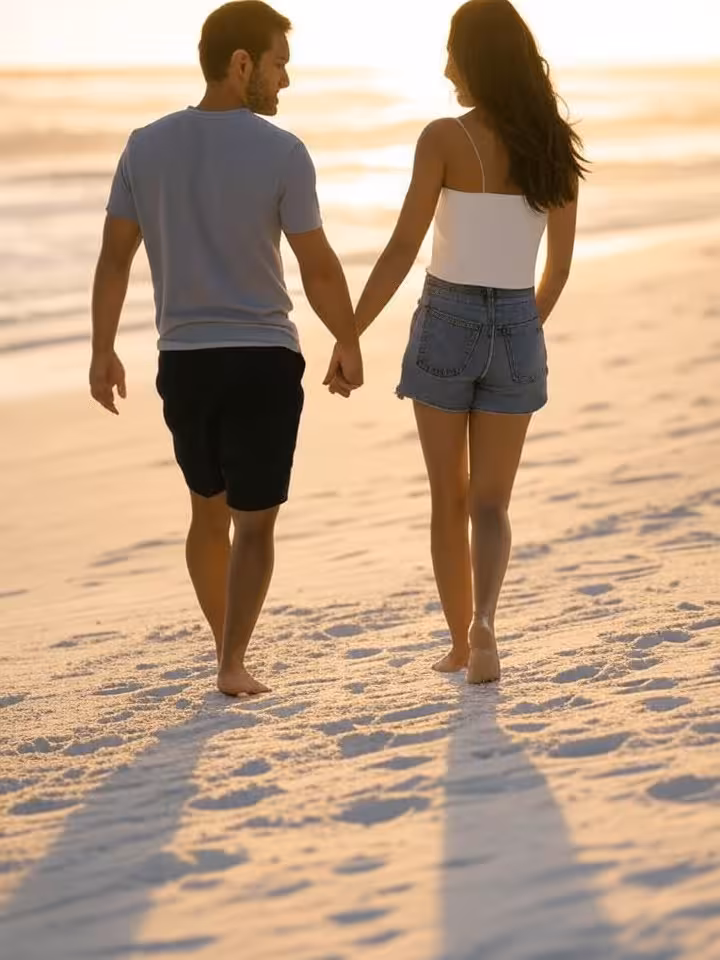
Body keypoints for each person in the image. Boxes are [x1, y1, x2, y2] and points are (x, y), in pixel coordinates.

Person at [90, 1, 363, 697]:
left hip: (183, 361)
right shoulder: (283, 152)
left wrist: (103, 349)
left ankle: (226, 650)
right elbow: (319, 266)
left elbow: (115, 258)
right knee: (256, 522)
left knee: (206, 513)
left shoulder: (144, 145)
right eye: (279, 65)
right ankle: (232, 660)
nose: (285, 82)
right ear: (242, 64)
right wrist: (348, 337)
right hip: (264, 357)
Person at [326, 0, 586, 684]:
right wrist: (519, 329)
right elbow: (557, 271)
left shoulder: (443, 137)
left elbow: (402, 248)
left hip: (446, 319)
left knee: (449, 495)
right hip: (520, 324)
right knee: (493, 503)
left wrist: (349, 332)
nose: (445, 68)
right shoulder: (554, 145)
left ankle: (459, 644)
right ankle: (487, 624)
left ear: (475, 59)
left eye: (452, 53)